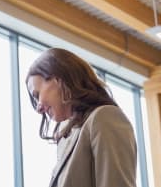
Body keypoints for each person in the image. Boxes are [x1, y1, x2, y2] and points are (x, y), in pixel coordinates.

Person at [25, 48, 137, 187]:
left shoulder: (104, 117)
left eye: (37, 95)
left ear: (58, 79)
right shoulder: (67, 136)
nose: (38, 108)